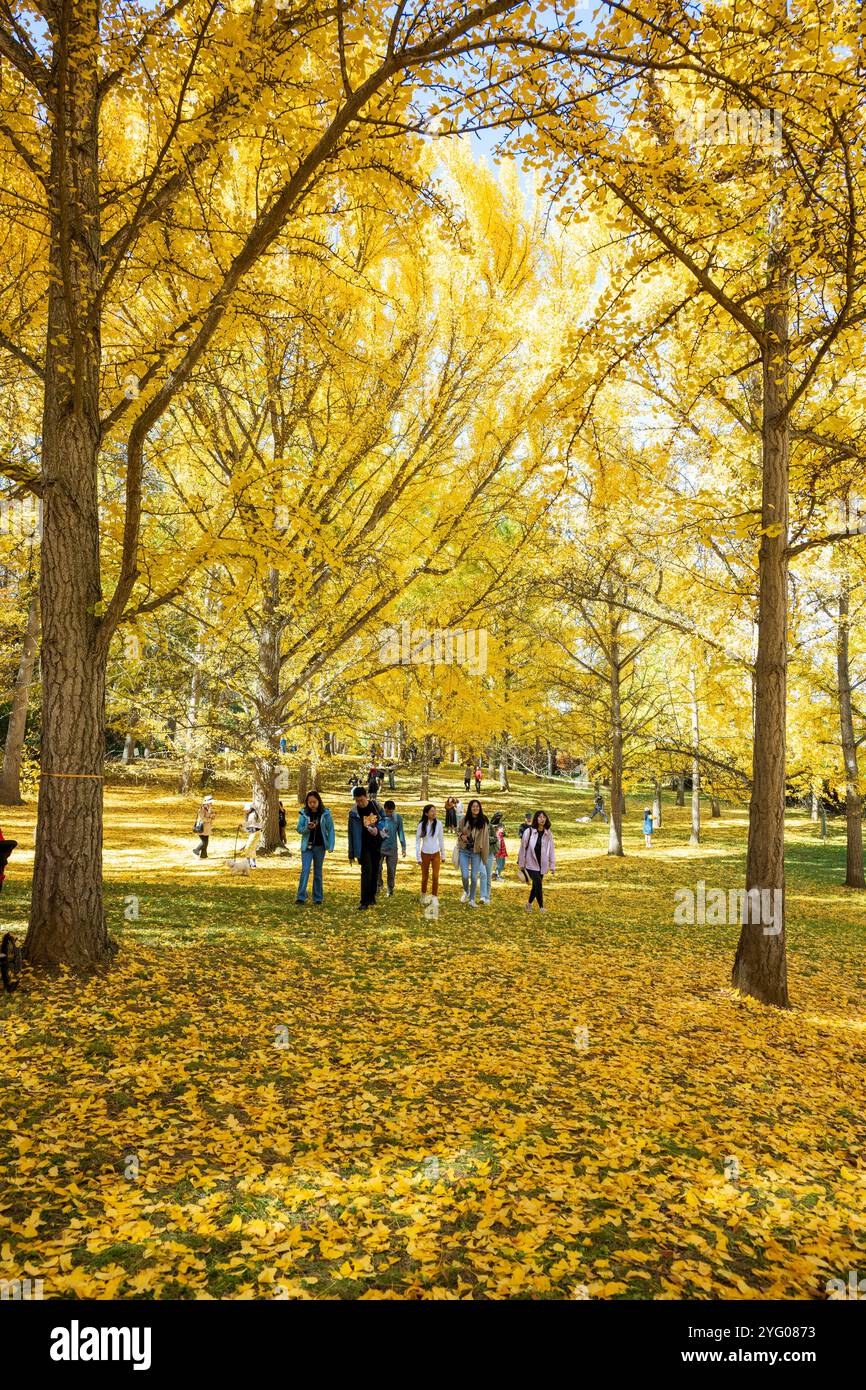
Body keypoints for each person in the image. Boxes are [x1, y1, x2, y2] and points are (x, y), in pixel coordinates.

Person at [348, 786, 386, 909]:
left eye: (362, 800)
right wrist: (351, 852)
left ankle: (371, 897)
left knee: (375, 870)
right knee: (366, 871)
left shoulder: (375, 806)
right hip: (362, 845)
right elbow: (351, 833)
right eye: (357, 801)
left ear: (366, 797)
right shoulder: (353, 813)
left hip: (376, 843)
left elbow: (385, 819)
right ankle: (364, 901)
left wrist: (377, 829)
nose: (360, 803)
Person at [296, 790, 335, 904]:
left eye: (314, 802)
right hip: (307, 847)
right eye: (310, 802)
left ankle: (317, 898)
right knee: (305, 870)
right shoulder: (304, 813)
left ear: (319, 801)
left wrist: (331, 845)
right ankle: (301, 897)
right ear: (307, 803)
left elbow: (330, 829)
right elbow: (299, 829)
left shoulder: (325, 814)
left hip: (320, 847)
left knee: (318, 872)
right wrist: (307, 828)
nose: (312, 804)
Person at [518, 810, 555, 912]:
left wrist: (552, 865)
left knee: (535, 886)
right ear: (536, 819)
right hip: (530, 863)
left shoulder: (548, 833)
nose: (542, 819)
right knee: (538, 884)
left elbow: (551, 849)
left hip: (542, 864)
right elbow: (522, 848)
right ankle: (541, 907)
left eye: (544, 817)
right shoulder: (529, 832)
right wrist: (521, 863)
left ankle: (528, 904)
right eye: (540, 817)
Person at [457, 799, 489, 907]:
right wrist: (462, 836)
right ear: (470, 808)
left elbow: (485, 840)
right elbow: (458, 830)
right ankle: (467, 891)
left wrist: (484, 856)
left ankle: (472, 900)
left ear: (480, 809)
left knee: (474, 877)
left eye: (477, 807)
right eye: (473, 806)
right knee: (465, 875)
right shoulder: (464, 820)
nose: (475, 808)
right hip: (464, 851)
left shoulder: (483, 822)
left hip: (476, 852)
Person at [416, 803, 445, 918]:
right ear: (426, 813)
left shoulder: (439, 824)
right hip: (425, 853)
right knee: (424, 877)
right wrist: (418, 856)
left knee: (436, 876)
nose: (434, 813)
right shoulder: (422, 825)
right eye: (432, 811)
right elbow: (417, 841)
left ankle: (434, 897)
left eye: (435, 811)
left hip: (436, 853)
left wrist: (443, 855)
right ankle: (423, 895)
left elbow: (441, 840)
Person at [380, 800, 406, 896]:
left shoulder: (397, 818)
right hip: (380, 848)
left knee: (391, 870)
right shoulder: (379, 817)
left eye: (391, 811)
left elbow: (401, 832)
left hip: (392, 849)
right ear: (384, 809)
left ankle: (390, 890)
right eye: (387, 811)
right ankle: (379, 885)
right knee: (377, 869)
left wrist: (403, 847)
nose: (389, 813)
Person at [193, 793, 216, 858]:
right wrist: (210, 818)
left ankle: (204, 855)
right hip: (201, 827)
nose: (211, 803)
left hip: (207, 828)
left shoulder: (210, 808)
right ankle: (196, 850)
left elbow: (212, 816)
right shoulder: (201, 809)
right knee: (204, 842)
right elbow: (202, 818)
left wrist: (212, 816)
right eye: (210, 802)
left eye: (211, 802)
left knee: (206, 842)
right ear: (206, 802)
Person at [241, 801, 261, 869]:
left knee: (248, 847)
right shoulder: (252, 813)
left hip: (255, 832)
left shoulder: (252, 815)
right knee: (252, 848)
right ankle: (253, 864)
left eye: (246, 809)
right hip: (256, 832)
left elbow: (251, 823)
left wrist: (242, 825)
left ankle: (249, 863)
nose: (245, 810)